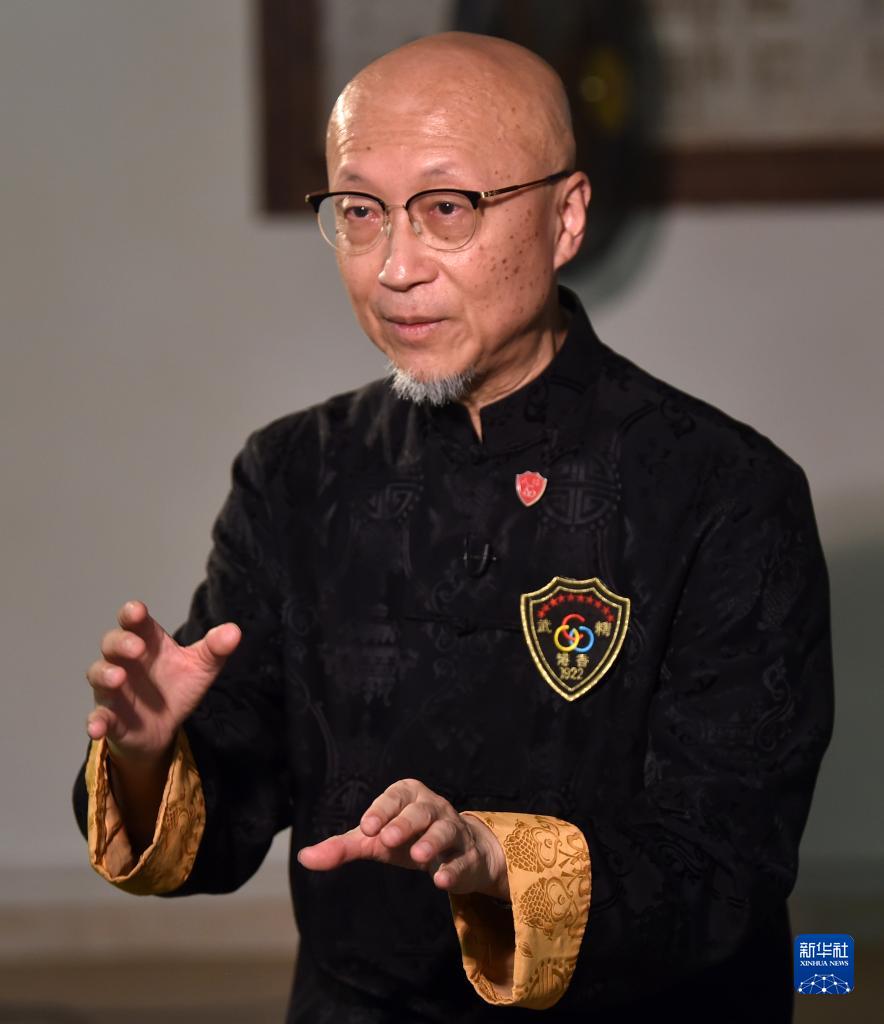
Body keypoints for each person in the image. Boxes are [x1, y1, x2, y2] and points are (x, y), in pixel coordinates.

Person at [73, 31, 833, 1023]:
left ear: (565, 218)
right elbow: (232, 806)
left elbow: (726, 856)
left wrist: (498, 865)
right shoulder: (295, 473)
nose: (394, 267)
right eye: (359, 211)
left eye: (446, 208)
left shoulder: (725, 491)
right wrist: (146, 755)